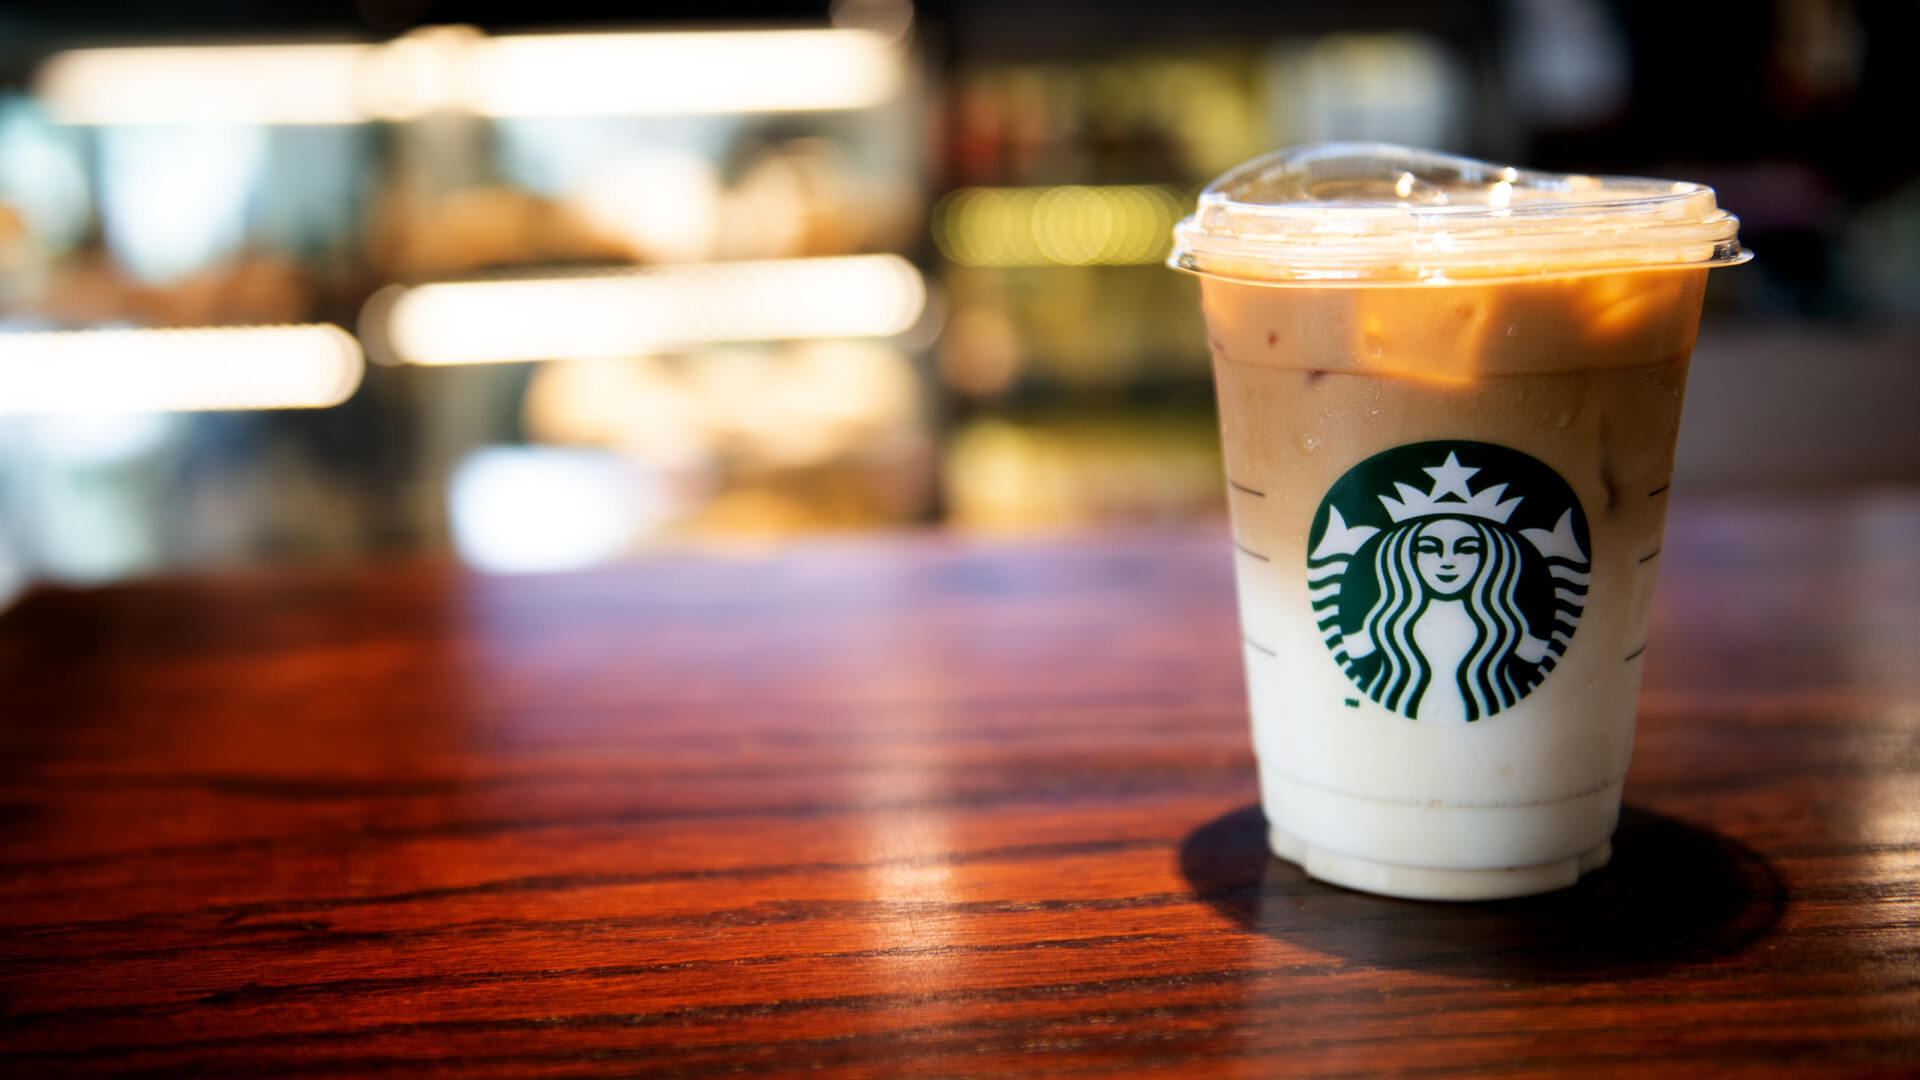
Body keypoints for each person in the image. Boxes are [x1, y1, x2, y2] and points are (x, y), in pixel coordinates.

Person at [1340, 514, 1555, 723]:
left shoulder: (1507, 626)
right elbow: (1351, 651)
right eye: (1429, 548)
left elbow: (1539, 654)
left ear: (1488, 559)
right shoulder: (1384, 623)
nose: (1447, 561)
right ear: (1407, 556)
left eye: (1467, 549)